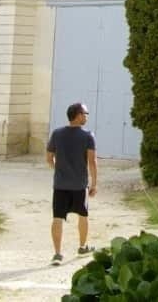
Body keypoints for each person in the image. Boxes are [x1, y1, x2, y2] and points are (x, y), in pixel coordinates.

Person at [46, 101, 98, 263]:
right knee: (83, 215)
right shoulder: (88, 136)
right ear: (78, 115)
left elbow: (49, 159)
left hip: (60, 184)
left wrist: (59, 169)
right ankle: (82, 246)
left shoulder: (56, 134)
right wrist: (94, 183)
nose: (87, 116)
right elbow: (92, 162)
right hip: (79, 184)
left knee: (57, 217)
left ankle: (57, 253)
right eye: (85, 114)